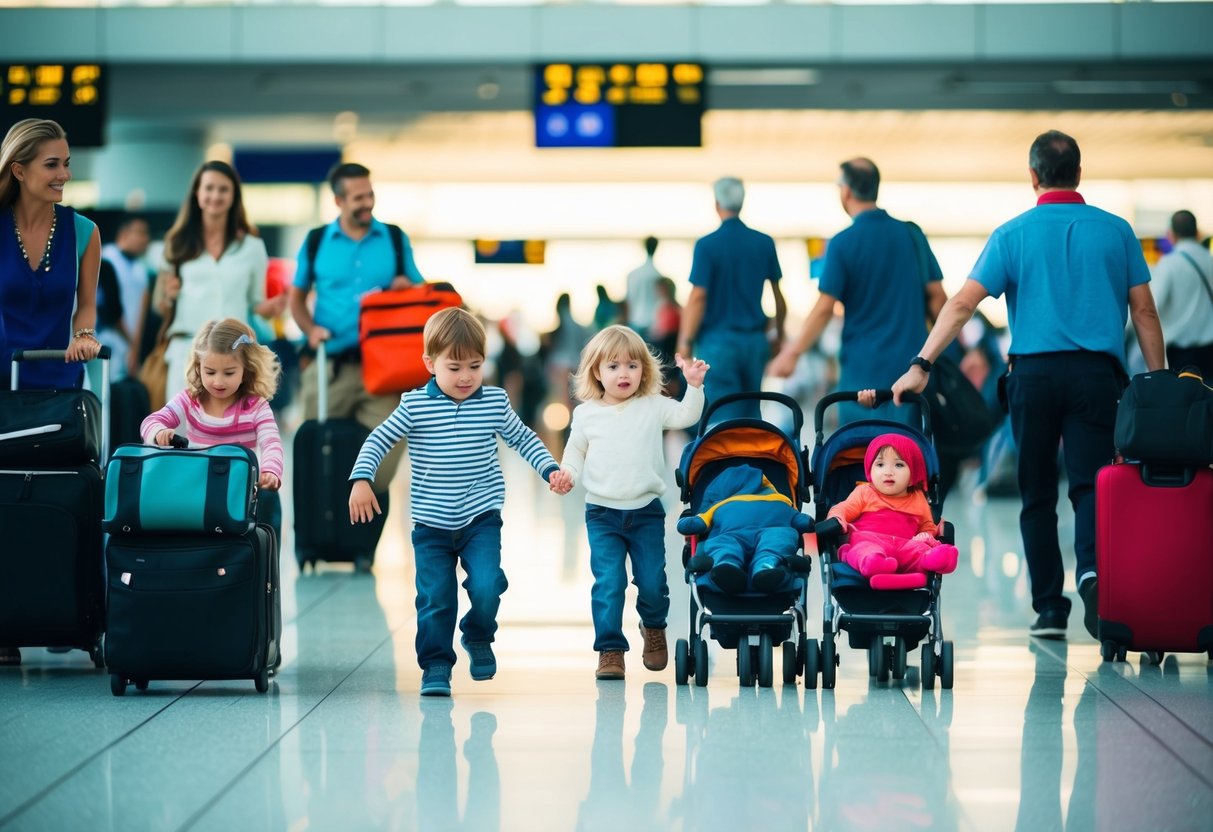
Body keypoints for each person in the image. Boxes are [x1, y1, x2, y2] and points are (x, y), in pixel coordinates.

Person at [891, 130, 1166, 641]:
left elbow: (961, 304)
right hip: (1094, 377)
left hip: (1033, 378)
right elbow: (1144, 310)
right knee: (1090, 485)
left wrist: (922, 364)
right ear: (1079, 174)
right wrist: (1157, 381)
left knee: (1036, 491)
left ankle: (1049, 609)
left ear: (1033, 176)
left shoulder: (1012, 234)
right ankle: (1091, 575)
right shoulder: (1116, 231)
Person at [349, 307, 567, 697]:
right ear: (430, 364)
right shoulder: (414, 406)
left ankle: (478, 634)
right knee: (435, 598)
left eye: (475, 365)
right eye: (454, 367)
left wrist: (549, 469)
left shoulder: (494, 403)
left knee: (486, 586)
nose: (466, 376)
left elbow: (524, 438)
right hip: (431, 525)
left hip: (480, 518)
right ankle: (435, 665)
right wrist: (362, 479)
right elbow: (377, 439)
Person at [0, 118, 103, 665]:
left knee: (66, 494)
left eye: (67, 163)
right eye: (52, 164)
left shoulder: (84, 232)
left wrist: (84, 336)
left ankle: (69, 610)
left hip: (58, 386)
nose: (64, 174)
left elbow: (84, 308)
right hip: (1, 384)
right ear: (18, 170)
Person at [556, 324, 709, 680]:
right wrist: (567, 474)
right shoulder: (586, 414)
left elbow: (687, 416)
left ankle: (653, 627)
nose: (623, 373)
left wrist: (694, 386)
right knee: (609, 584)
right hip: (602, 514)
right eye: (613, 366)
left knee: (653, 582)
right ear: (596, 371)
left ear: (644, 370)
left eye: (631, 366)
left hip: (646, 513)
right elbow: (575, 452)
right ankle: (610, 650)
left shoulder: (653, 406)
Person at [769, 157, 947, 426]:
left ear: (847, 190)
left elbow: (825, 308)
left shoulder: (842, 243)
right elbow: (937, 298)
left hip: (863, 376)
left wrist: (791, 353)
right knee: (909, 456)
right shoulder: (911, 235)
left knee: (860, 455)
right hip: (913, 369)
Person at [291, 161, 423, 516]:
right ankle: (320, 536)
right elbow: (296, 298)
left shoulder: (394, 239)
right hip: (330, 366)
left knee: (381, 462)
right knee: (319, 451)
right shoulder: (318, 241)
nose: (367, 203)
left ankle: (363, 538)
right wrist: (310, 330)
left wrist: (407, 287)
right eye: (358, 198)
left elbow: (420, 291)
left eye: (370, 195)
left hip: (383, 372)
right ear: (338, 201)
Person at [140, 318, 284, 537]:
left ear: (245, 370)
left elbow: (271, 442)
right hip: (197, 491)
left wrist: (270, 471)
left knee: (269, 498)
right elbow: (150, 422)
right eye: (210, 372)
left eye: (229, 373)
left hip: (238, 492)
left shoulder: (256, 407)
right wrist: (159, 433)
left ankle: (262, 561)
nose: (218, 381)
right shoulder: (191, 400)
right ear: (198, 367)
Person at [154, 161, 281, 402]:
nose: (215, 195)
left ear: (234, 195)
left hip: (234, 356)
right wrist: (167, 296)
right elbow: (160, 306)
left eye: (223, 189)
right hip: (187, 351)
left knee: (232, 433)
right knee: (180, 435)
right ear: (197, 193)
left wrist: (275, 307)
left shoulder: (252, 247)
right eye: (209, 188)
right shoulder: (176, 243)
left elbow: (256, 304)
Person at [677, 176, 785, 422]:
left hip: (718, 344)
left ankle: (727, 460)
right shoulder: (763, 242)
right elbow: (778, 296)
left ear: (717, 204)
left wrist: (685, 343)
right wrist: (778, 333)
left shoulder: (707, 246)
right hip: (754, 343)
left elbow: (698, 297)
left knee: (723, 415)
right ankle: (752, 459)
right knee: (751, 413)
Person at [826, 429, 959, 590]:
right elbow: (844, 508)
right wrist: (838, 519)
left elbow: (927, 525)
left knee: (919, 550)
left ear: (913, 473)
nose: (888, 472)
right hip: (869, 539)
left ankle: (934, 559)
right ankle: (875, 564)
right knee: (863, 549)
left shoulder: (918, 498)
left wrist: (926, 535)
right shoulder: (865, 491)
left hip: (904, 545)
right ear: (870, 470)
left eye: (899, 465)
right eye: (880, 464)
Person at [1151, 210, 1213, 376]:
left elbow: (1153, 305)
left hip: (1180, 355)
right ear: (1197, 232)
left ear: (1170, 235)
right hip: (1210, 351)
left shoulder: (1169, 264)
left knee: (1184, 400)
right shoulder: (1210, 260)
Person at [99, 214, 152, 379]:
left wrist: (135, 347)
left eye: (146, 234)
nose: (145, 239)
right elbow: (107, 306)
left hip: (129, 344)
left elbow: (142, 310)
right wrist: (130, 342)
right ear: (124, 234)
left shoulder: (141, 268)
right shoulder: (106, 258)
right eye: (140, 233)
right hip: (105, 336)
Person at [623, 235, 662, 341]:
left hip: (635, 320)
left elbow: (628, 300)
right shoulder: (658, 276)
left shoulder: (632, 274)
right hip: (653, 323)